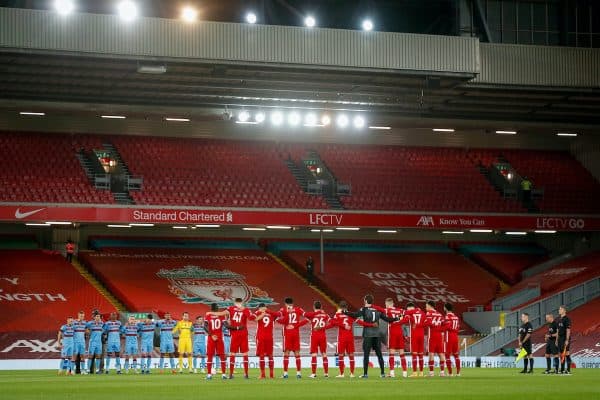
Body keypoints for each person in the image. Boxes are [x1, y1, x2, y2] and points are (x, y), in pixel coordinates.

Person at [343, 294, 396, 379]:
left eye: (364, 300)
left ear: (366, 301)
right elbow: (387, 319)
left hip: (368, 334)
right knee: (379, 354)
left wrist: (346, 312)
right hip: (377, 335)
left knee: (366, 355)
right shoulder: (377, 309)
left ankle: (365, 374)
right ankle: (382, 373)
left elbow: (355, 315)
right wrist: (396, 319)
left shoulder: (364, 309)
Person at [207, 298, 254, 379]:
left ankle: (231, 374)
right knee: (245, 354)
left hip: (234, 334)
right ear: (241, 302)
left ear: (235, 302)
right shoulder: (246, 310)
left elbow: (222, 313)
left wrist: (210, 312)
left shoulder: (231, 308)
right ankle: (246, 374)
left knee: (233, 354)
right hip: (243, 333)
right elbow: (251, 318)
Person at [373, 298, 407, 378]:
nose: (385, 306)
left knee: (391, 353)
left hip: (393, 332)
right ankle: (405, 373)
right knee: (401, 353)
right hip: (400, 332)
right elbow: (405, 317)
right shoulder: (400, 310)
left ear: (388, 304)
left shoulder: (388, 310)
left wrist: (371, 305)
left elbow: (379, 309)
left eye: (386, 305)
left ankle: (392, 373)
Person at [277, 297, 309, 379]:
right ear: (293, 303)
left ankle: (285, 373)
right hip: (296, 333)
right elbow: (307, 318)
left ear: (285, 304)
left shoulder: (283, 310)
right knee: (297, 353)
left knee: (286, 353)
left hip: (287, 333)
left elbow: (277, 318)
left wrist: (283, 321)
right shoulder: (298, 309)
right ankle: (298, 373)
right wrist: (296, 325)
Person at [328, 301, 357, 378]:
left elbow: (332, 322)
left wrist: (337, 314)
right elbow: (358, 320)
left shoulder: (338, 314)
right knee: (351, 355)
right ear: (347, 307)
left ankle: (341, 374)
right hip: (350, 337)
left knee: (340, 355)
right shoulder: (351, 314)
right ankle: (352, 374)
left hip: (342, 337)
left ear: (340, 307)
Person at [304, 301, 331, 378]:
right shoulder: (325, 315)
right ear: (321, 307)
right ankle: (326, 373)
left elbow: (304, 314)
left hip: (314, 336)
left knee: (314, 355)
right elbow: (332, 323)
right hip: (323, 336)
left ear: (313, 307)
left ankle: (313, 373)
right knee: (324, 354)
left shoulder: (312, 315)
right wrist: (323, 328)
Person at [254, 303, 280, 379]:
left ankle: (262, 374)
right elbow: (278, 314)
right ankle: (271, 374)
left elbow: (254, 319)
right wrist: (268, 311)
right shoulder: (271, 314)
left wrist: (263, 312)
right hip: (269, 337)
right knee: (270, 355)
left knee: (261, 356)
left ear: (259, 308)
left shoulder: (258, 312)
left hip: (260, 337)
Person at [402, 302, 426, 377]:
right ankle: (421, 372)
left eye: (407, 308)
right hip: (421, 334)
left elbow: (404, 319)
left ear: (410, 307)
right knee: (421, 354)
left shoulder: (409, 313)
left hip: (414, 334)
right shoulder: (422, 313)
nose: (407, 310)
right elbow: (426, 323)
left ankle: (415, 372)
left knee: (414, 354)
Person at [205, 303, 228, 380]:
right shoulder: (221, 315)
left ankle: (209, 375)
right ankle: (224, 374)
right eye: (217, 307)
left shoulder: (208, 315)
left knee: (210, 356)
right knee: (222, 356)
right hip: (219, 337)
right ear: (217, 308)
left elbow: (205, 327)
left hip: (211, 338)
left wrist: (211, 335)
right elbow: (226, 325)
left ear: (211, 308)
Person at [424, 301, 446, 377]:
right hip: (439, 336)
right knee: (441, 354)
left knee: (431, 354)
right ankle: (442, 372)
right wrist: (440, 330)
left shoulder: (428, 314)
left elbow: (427, 323)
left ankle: (431, 373)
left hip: (432, 336)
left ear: (430, 306)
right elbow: (445, 325)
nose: (426, 308)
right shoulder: (439, 314)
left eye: (426, 306)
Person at [443, 303, 461, 377]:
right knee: (456, 355)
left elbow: (447, 327)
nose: (443, 308)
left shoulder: (447, 317)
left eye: (444, 307)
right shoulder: (456, 317)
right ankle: (458, 373)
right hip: (455, 336)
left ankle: (450, 373)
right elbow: (458, 327)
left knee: (447, 355)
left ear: (446, 308)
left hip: (449, 336)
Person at [557, 305, 572, 374]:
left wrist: (567, 339)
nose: (559, 310)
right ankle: (562, 369)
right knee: (561, 354)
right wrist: (557, 340)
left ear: (564, 310)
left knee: (566, 353)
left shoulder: (567, 319)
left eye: (560, 309)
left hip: (564, 338)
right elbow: (558, 331)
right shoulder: (559, 319)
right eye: (559, 309)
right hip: (560, 338)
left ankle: (568, 370)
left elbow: (568, 330)